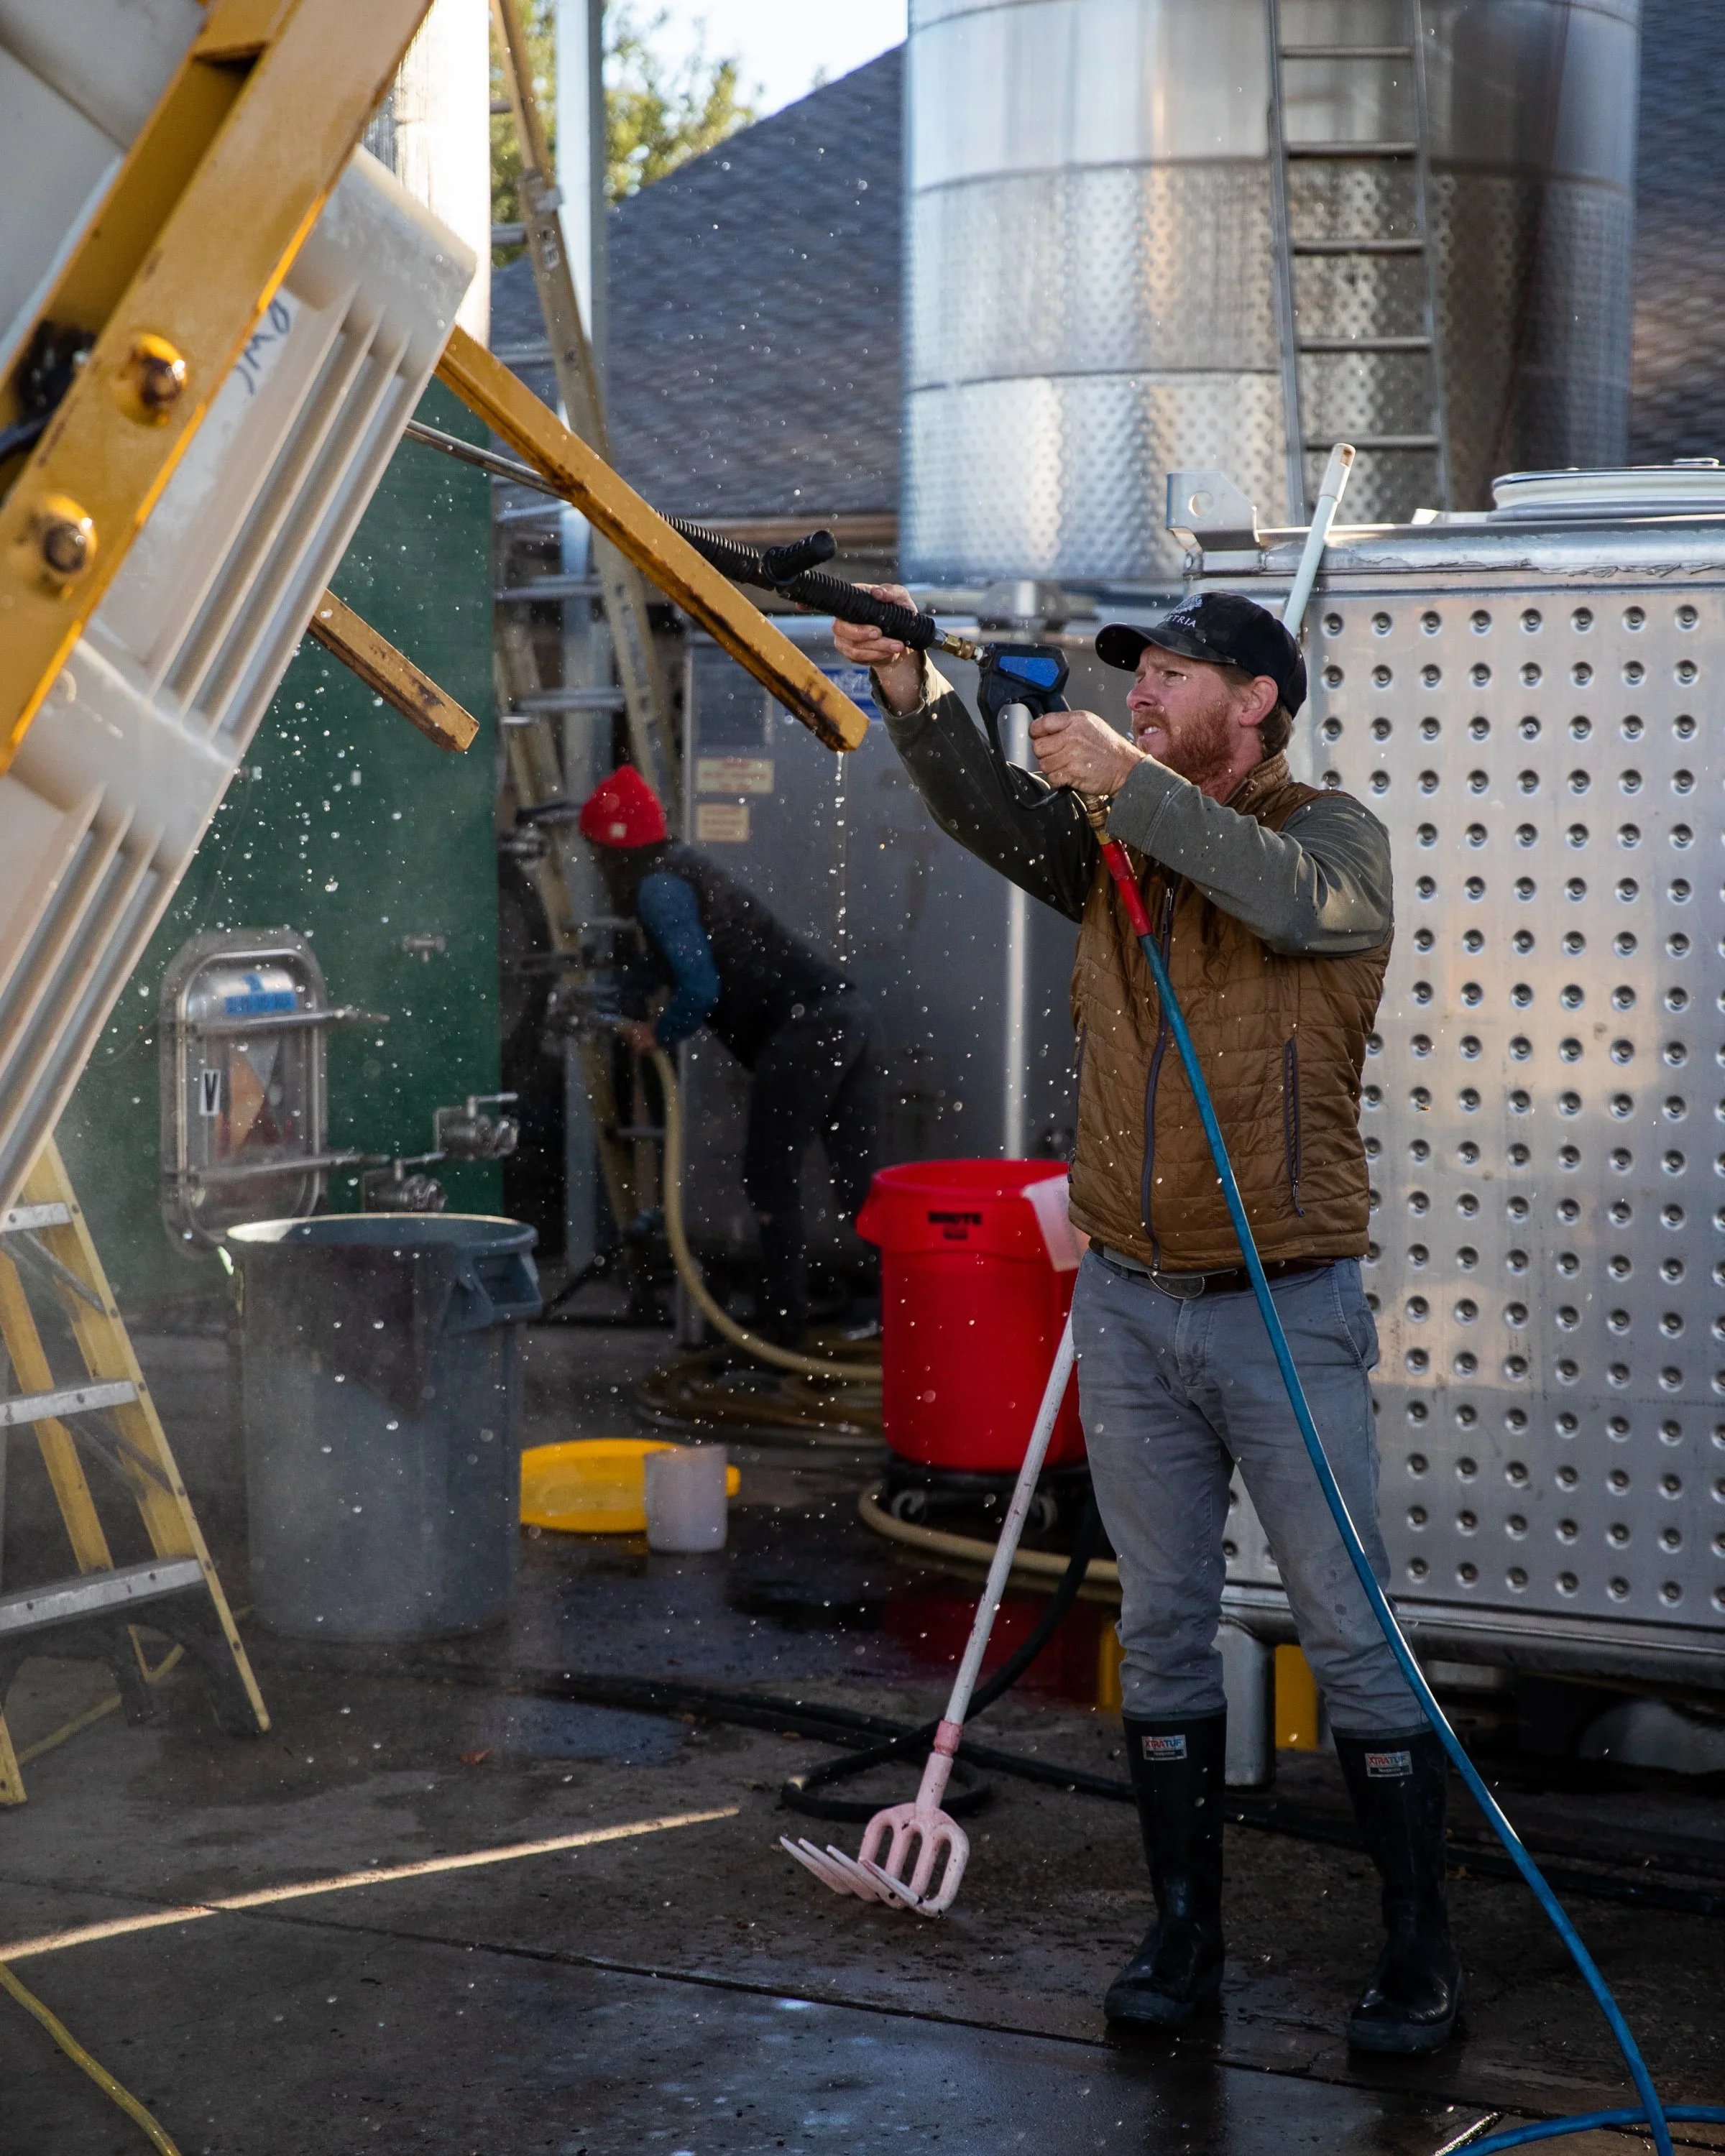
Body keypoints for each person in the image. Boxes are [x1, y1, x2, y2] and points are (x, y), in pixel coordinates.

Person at [832, 588, 1459, 2054]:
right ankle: (1182, 1939)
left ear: (1256, 706)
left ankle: (1417, 1954)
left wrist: (1135, 786)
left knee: (1352, 1642)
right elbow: (997, 823)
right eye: (1145, 676)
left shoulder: (1330, 838)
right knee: (1165, 1636)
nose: (1152, 692)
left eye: (1179, 675)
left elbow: (1298, 903)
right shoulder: (1119, 840)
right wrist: (916, 696)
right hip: (1126, 1304)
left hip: (1282, 1311)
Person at [576, 766, 880, 1344]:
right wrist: (624, 992)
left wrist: (657, 1034)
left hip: (805, 1030)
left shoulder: (656, 888)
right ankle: (893, 1314)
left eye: (595, 852)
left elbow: (699, 985)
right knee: (859, 1183)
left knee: (769, 1180)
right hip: (846, 1014)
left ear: (612, 848)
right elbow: (673, 959)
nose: (594, 864)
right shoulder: (679, 870)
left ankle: (781, 1336)